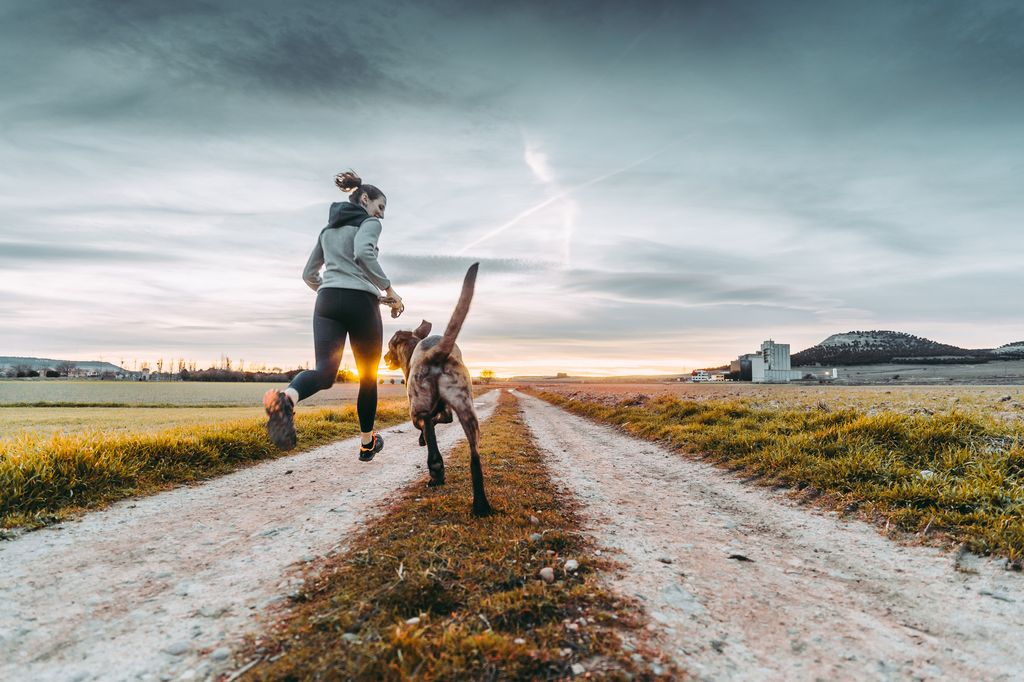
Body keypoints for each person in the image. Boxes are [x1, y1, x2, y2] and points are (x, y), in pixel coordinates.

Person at [263, 170, 404, 461]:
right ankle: (367, 443)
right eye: (380, 207)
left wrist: (332, 289)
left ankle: (287, 399)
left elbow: (308, 274)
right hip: (361, 305)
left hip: (326, 302)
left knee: (325, 372)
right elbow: (364, 254)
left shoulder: (327, 230)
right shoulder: (369, 223)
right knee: (367, 377)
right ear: (364, 198)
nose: (381, 215)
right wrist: (390, 291)